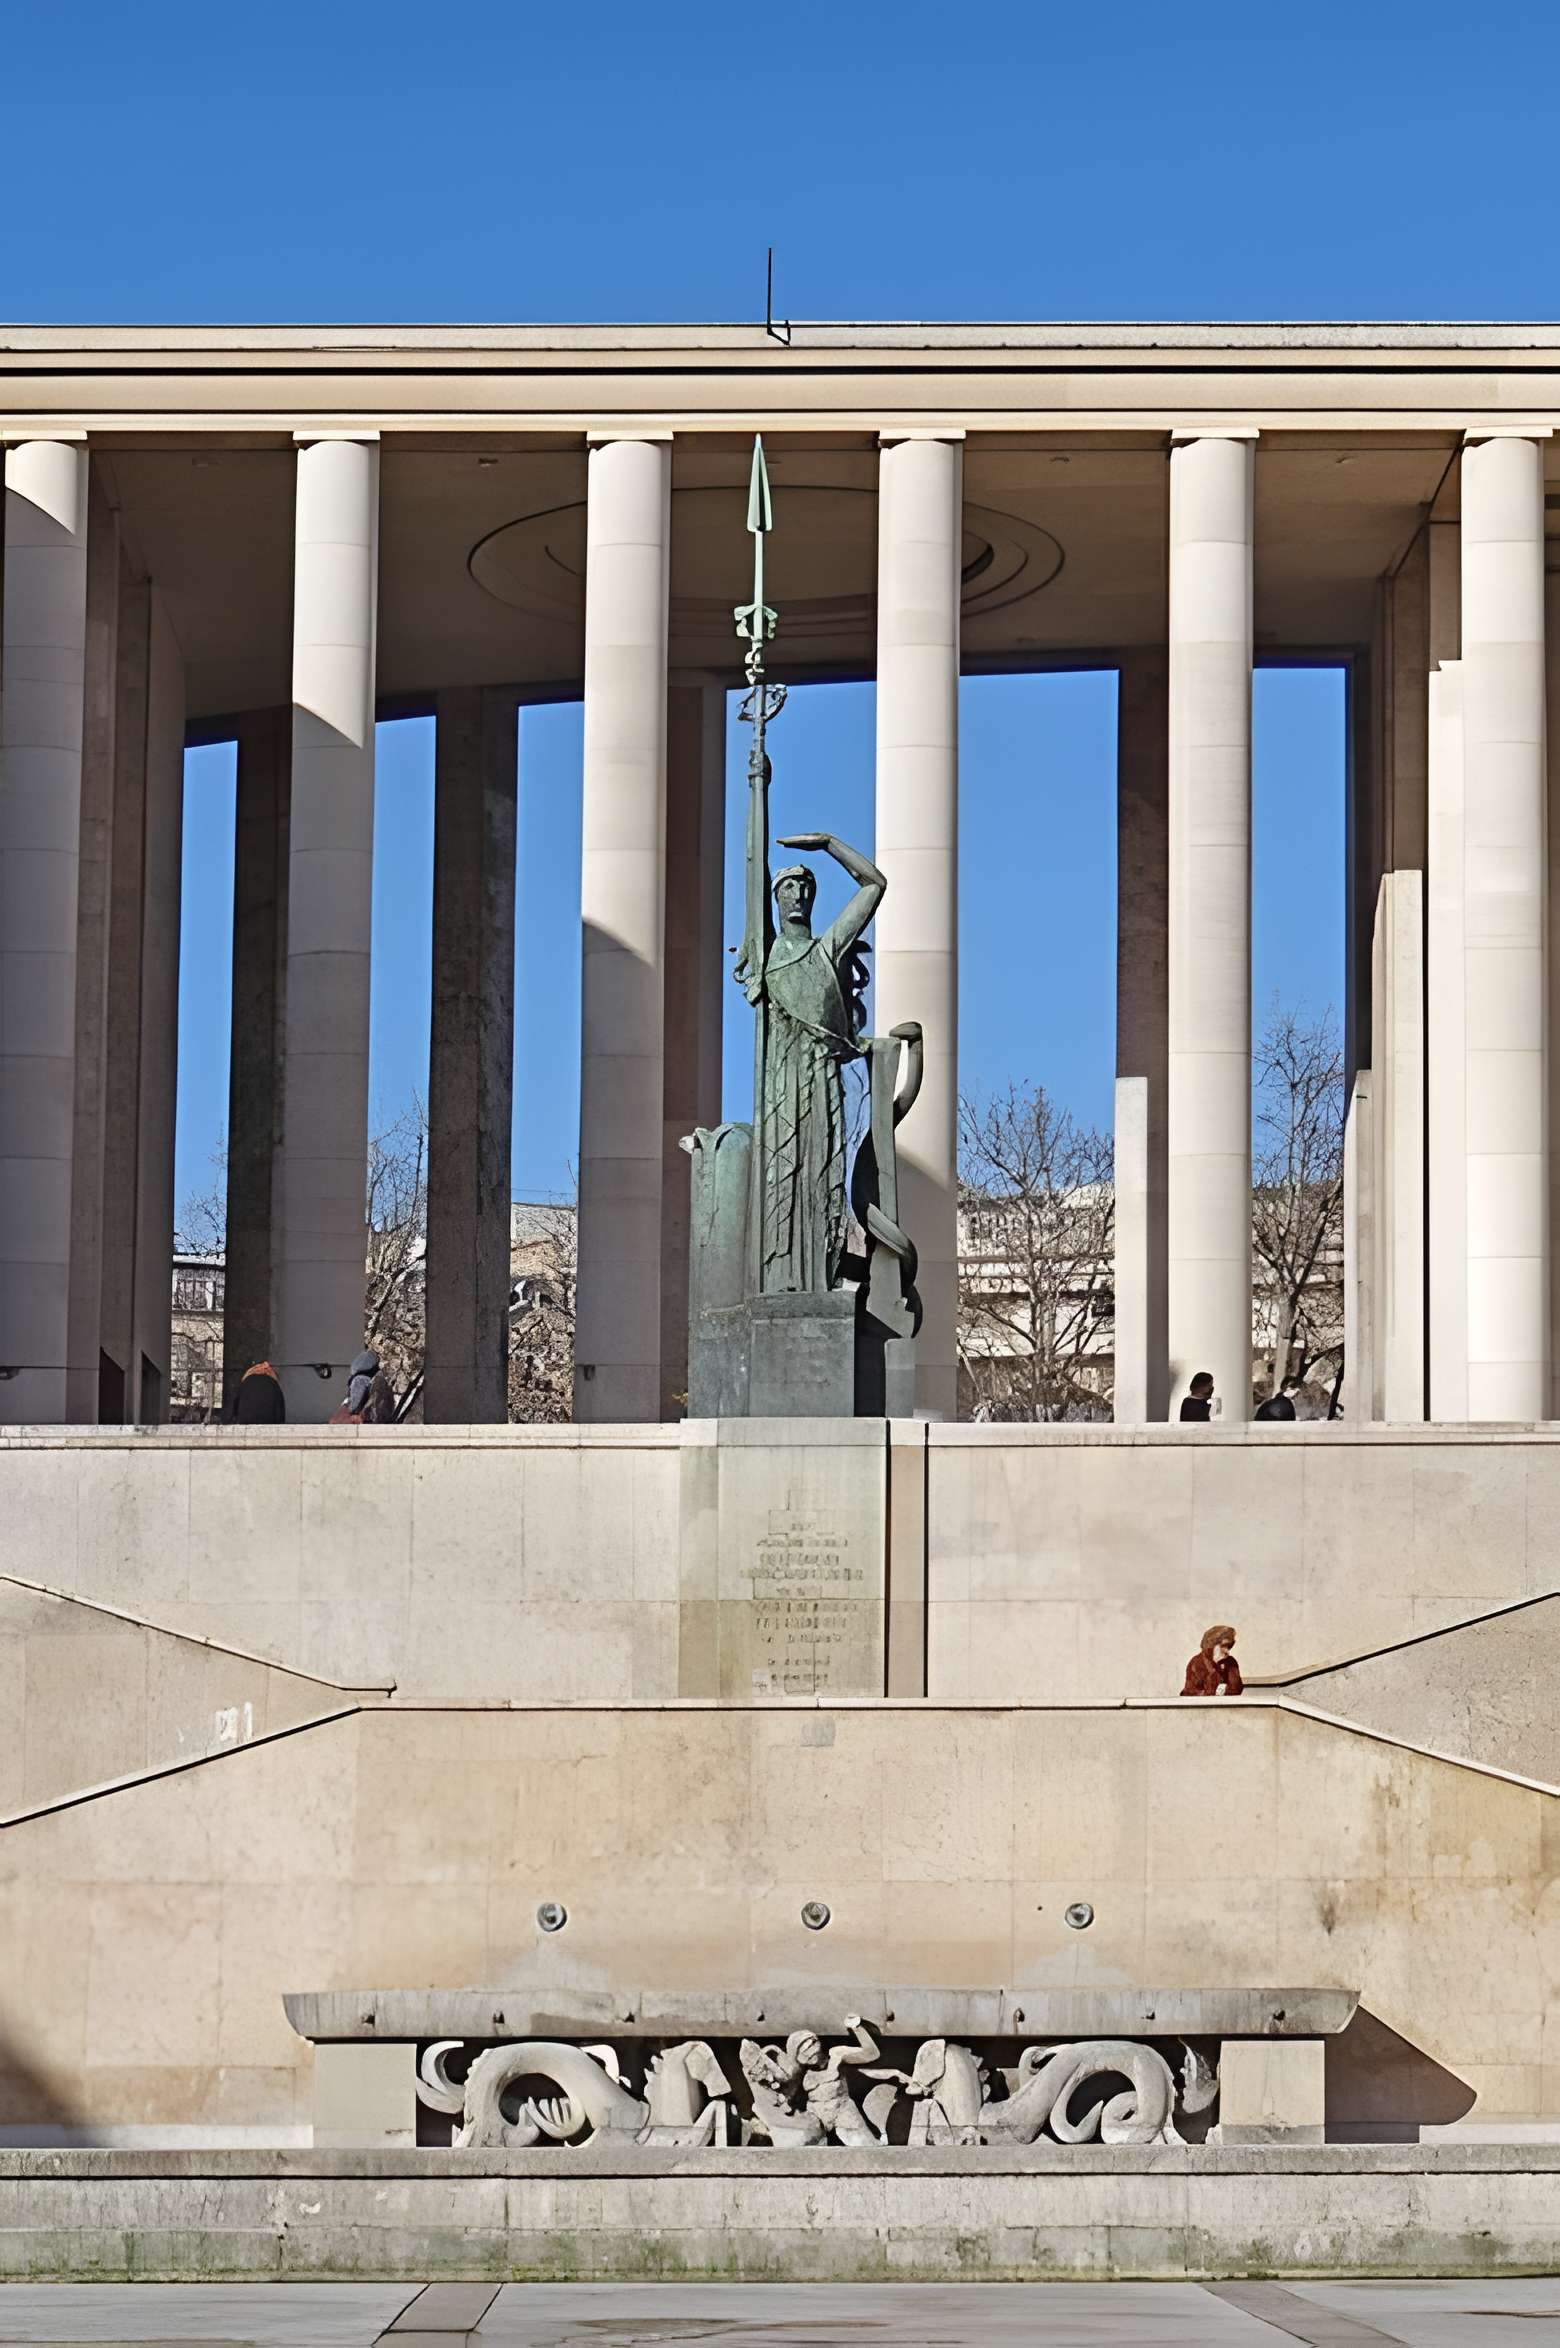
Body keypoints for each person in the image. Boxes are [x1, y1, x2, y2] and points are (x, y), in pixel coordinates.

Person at [1182, 1624, 1243, 1698]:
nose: (1227, 1651)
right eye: (1223, 1646)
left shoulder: (1231, 1662)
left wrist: (1225, 1689)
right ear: (1211, 1645)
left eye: (1229, 1647)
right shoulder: (1197, 1663)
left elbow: (1236, 1689)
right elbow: (1191, 1692)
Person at [340, 1348, 398, 1424]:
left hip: (367, 1419)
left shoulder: (359, 1380)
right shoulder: (379, 1379)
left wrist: (348, 1411)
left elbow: (355, 1401)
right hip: (381, 1419)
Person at [228, 1359, 285, 1423]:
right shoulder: (274, 1385)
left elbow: (230, 1412)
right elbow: (280, 1415)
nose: (262, 1369)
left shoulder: (246, 1384)